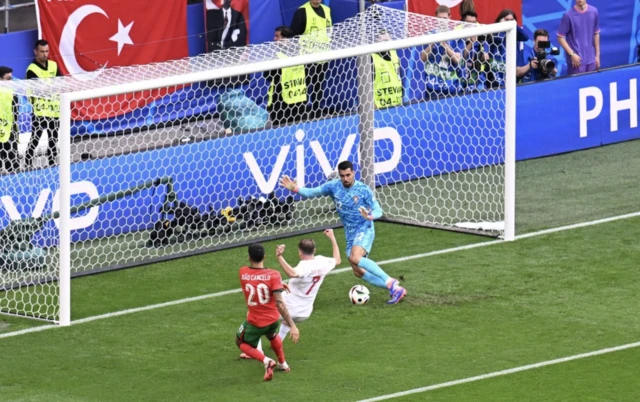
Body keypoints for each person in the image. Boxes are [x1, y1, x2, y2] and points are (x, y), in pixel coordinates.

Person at [279, 160, 407, 305]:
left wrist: (370, 216)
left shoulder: (363, 189)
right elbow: (311, 193)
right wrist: (295, 188)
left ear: (353, 173)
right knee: (358, 272)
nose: (345, 179)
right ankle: (396, 290)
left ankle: (390, 281)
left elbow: (378, 210)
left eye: (348, 175)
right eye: (342, 176)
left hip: (364, 228)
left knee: (355, 257)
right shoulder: (333, 187)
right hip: (350, 232)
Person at [241, 229, 340, 359]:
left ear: (299, 252)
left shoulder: (304, 266)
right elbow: (337, 260)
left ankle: (256, 351)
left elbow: (293, 273)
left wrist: (279, 256)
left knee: (256, 315)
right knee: (286, 322)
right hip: (305, 312)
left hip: (290, 308)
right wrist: (332, 237)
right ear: (314, 250)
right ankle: (278, 341)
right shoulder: (323, 261)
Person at [236, 243, 300, 381]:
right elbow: (279, 302)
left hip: (256, 321)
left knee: (240, 342)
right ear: (264, 256)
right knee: (272, 334)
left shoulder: (243, 272)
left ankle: (266, 361)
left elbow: (256, 281)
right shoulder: (274, 275)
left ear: (249, 257)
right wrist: (292, 325)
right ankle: (283, 363)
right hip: (273, 319)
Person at [290, 0, 332, 116]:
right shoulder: (302, 11)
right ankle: (301, 112)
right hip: (306, 57)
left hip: (323, 55)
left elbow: (329, 32)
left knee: (319, 85)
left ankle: (317, 110)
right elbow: (294, 35)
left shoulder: (327, 10)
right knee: (305, 85)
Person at [25, 39, 61, 168]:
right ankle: (28, 163)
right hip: (40, 111)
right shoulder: (32, 69)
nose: (45, 54)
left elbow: (61, 83)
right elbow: (38, 89)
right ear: (35, 52)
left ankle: (52, 164)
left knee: (53, 139)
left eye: (47, 51)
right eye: (42, 52)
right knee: (35, 139)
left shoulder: (54, 65)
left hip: (54, 110)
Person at [265, 26, 307, 125]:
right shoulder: (302, 54)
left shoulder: (277, 57)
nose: (274, 39)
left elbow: (268, 76)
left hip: (281, 102)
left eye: (277, 37)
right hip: (300, 98)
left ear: (286, 39)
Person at [420, 6, 464, 100]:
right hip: (432, 87)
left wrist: (445, 46)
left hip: (450, 87)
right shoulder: (429, 35)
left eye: (444, 19)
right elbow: (423, 58)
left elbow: (457, 60)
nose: (442, 22)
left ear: (449, 18)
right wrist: (431, 44)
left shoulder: (456, 36)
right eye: (439, 19)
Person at [487, 9, 530, 87]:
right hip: (496, 68)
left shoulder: (515, 34)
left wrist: (514, 25)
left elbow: (526, 37)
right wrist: (503, 25)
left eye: (511, 20)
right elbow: (498, 39)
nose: (509, 22)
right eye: (507, 20)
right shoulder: (494, 31)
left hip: (510, 67)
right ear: (501, 20)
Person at [557, 0, 600, 75]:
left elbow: (596, 33)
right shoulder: (568, 15)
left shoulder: (594, 11)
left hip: (591, 60)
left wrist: (597, 56)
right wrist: (572, 54)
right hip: (576, 61)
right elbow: (560, 37)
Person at [371, 30, 403, 109]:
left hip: (398, 105)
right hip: (379, 108)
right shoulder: (372, 58)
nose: (385, 44)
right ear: (376, 41)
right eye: (382, 41)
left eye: (387, 41)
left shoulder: (395, 53)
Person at [0, 66, 20, 173]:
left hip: (10, 134)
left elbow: (15, 115)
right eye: (8, 79)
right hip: (6, 133)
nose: (11, 82)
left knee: (13, 167)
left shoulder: (13, 95)